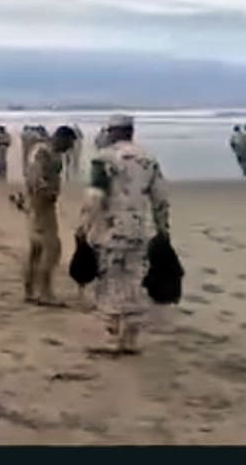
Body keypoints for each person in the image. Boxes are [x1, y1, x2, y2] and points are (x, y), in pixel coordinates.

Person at [77, 115, 170, 355]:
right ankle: (130, 339)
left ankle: (112, 338)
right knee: (133, 283)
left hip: (110, 230)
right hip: (139, 231)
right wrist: (162, 231)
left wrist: (83, 227)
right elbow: (160, 199)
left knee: (109, 283)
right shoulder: (148, 159)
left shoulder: (104, 159)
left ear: (113, 132)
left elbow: (95, 197)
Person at [19, 126, 77, 306]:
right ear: (61, 138)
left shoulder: (47, 152)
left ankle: (30, 290)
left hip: (39, 204)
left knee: (36, 250)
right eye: (68, 144)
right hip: (40, 204)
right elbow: (35, 178)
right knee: (51, 249)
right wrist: (45, 194)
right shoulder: (42, 152)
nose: (69, 148)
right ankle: (45, 293)